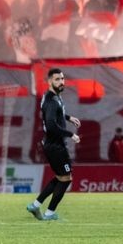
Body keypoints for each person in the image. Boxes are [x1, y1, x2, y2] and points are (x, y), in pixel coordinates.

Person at [26, 68, 80, 221]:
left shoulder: (52, 96)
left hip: (52, 144)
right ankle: (49, 213)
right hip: (55, 145)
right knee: (66, 178)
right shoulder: (52, 100)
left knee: (60, 177)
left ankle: (35, 205)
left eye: (62, 78)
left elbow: (54, 114)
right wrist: (71, 134)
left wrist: (68, 117)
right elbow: (51, 125)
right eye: (57, 79)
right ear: (49, 81)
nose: (61, 82)